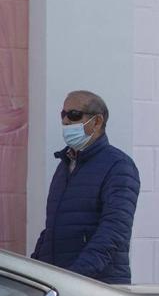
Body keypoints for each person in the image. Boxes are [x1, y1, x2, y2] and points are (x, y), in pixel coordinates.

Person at [31, 91, 140, 284]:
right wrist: (35, 271)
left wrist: (75, 278)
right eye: (62, 114)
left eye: (73, 115)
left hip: (96, 287)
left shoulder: (118, 166)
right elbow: (52, 229)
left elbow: (114, 232)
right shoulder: (64, 165)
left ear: (97, 122)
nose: (65, 121)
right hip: (60, 286)